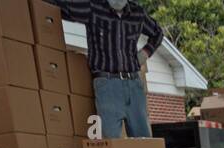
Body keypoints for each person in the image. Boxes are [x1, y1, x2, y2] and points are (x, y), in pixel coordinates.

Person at [56, 0, 163, 139]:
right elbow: (62, 7)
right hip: (107, 84)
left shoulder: (138, 14)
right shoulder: (93, 8)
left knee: (144, 142)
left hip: (134, 84)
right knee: (111, 143)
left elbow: (158, 33)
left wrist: (145, 54)